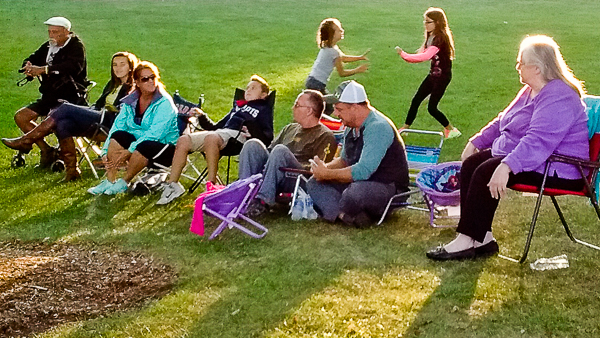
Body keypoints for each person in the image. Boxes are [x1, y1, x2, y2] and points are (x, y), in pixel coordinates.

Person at [426, 35, 589, 261]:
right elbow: (505, 119)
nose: (517, 66)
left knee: (486, 170)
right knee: (474, 164)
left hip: (560, 168)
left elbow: (538, 141)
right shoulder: (530, 90)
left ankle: (465, 240)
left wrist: (507, 165)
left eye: (521, 62)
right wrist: (476, 142)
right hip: (539, 159)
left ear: (537, 68)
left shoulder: (559, 96)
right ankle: (483, 239)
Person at [2, 52, 138, 181]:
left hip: (111, 124)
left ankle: (26, 140)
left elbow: (125, 114)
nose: (118, 68)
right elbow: (97, 105)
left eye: (122, 64)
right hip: (99, 117)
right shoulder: (113, 84)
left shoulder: (133, 88)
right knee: (63, 124)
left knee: (65, 107)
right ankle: (72, 171)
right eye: (115, 64)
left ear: (131, 67)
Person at [306, 81, 410, 227]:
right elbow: (344, 160)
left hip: (388, 187)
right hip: (360, 183)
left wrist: (327, 175)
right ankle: (345, 216)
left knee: (354, 193)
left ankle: (340, 209)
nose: (336, 114)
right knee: (313, 183)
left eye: (339, 109)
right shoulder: (350, 125)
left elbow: (362, 171)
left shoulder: (377, 128)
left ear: (355, 107)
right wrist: (323, 169)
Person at [156, 75, 273, 203]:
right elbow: (215, 127)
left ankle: (211, 186)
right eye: (247, 88)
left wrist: (251, 128)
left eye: (254, 88)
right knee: (184, 140)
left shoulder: (263, 109)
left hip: (238, 137)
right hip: (221, 133)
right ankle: (173, 185)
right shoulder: (237, 107)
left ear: (263, 95)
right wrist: (202, 116)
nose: (248, 90)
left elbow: (267, 136)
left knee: (212, 138)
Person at [234, 90, 336, 215]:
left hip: (298, 177)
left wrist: (286, 162)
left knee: (280, 151)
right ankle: (242, 196)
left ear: (309, 111)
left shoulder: (325, 135)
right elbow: (269, 151)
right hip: (274, 171)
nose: (293, 108)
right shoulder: (290, 128)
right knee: (253, 144)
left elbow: (320, 169)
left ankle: (263, 201)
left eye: (297, 105)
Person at [6, 16, 89, 168]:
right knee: (21, 117)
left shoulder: (76, 47)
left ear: (66, 32)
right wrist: (28, 66)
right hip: (49, 96)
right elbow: (32, 57)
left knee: (54, 122)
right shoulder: (48, 46)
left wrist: (44, 70)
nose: (51, 35)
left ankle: (29, 143)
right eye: (50, 31)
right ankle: (46, 150)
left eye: (55, 32)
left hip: (70, 97)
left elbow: (72, 67)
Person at [87, 61, 179, 195]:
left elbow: (155, 134)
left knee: (144, 146)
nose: (150, 81)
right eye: (145, 79)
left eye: (153, 77)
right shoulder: (130, 101)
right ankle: (110, 180)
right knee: (118, 135)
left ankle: (124, 181)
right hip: (140, 140)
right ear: (137, 82)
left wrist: (129, 150)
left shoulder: (164, 103)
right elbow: (117, 125)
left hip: (165, 146)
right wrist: (105, 151)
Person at [395, 7, 460, 139]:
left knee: (432, 108)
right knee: (416, 100)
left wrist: (403, 54)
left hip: (442, 77)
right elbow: (422, 54)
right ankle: (405, 129)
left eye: (428, 22)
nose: (425, 25)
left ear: (437, 23)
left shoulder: (440, 38)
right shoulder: (432, 36)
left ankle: (452, 130)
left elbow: (424, 57)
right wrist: (407, 57)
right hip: (434, 75)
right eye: (425, 21)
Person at [305, 18, 370, 95]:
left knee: (324, 104)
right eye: (339, 30)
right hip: (317, 84)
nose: (342, 31)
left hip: (312, 81)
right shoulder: (333, 52)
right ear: (331, 34)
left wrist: (360, 57)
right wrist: (357, 70)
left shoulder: (329, 47)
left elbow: (344, 58)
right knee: (327, 105)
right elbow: (342, 73)